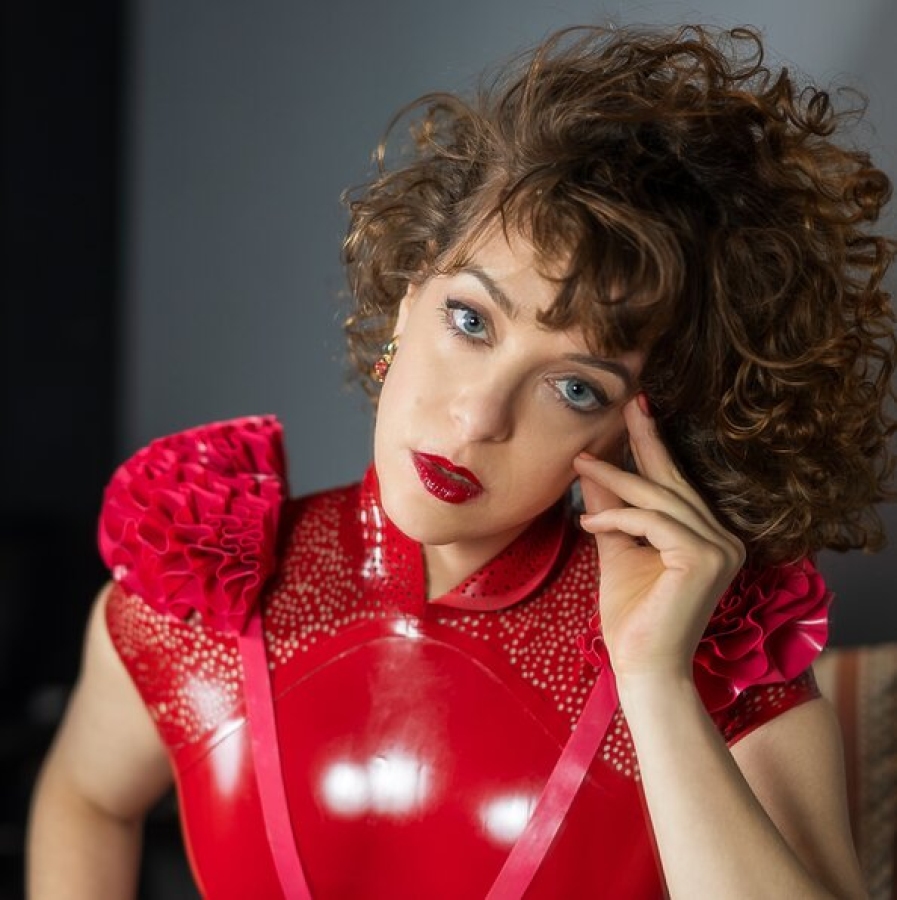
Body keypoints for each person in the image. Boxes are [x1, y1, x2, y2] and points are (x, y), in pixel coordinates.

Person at [27, 23, 894, 900]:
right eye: (471, 321)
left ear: (639, 430)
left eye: (575, 388)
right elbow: (86, 798)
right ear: (409, 303)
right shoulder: (199, 594)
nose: (478, 417)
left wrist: (654, 681)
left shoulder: (712, 654)